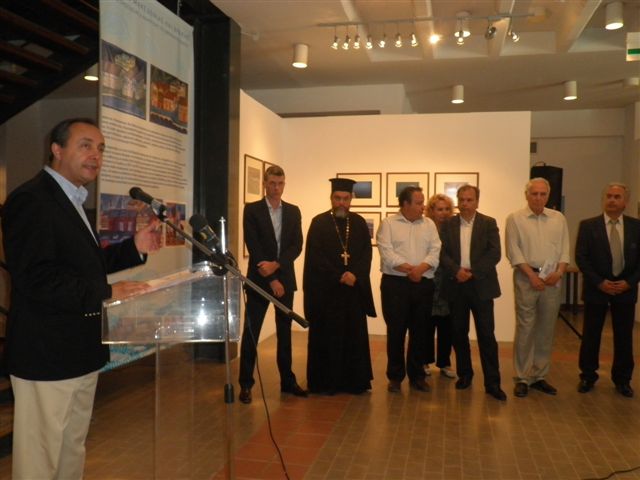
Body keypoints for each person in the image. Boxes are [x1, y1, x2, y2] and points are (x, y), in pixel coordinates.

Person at [2, 117, 161, 480]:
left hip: (81, 351)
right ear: (56, 150)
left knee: (71, 448)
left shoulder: (72, 199)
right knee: (40, 458)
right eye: (86, 145)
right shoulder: (31, 200)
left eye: (101, 148)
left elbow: (84, 267)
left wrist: (133, 248)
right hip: (46, 354)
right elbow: (36, 278)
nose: (96, 156)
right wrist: (107, 292)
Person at [238, 165, 305, 404]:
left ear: (284, 184)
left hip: (284, 278)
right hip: (259, 279)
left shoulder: (293, 211)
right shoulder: (252, 210)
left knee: (285, 334)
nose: (276, 188)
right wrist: (271, 278)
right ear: (265, 184)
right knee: (252, 332)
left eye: (280, 183)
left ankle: (287, 381)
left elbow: (297, 245)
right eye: (272, 183)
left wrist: (277, 266)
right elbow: (253, 245)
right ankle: (246, 384)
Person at [304, 178, 376, 394]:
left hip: (353, 290)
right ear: (331, 198)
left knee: (353, 336)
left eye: (345, 198)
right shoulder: (319, 223)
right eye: (338, 198)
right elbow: (315, 257)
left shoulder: (359, 223)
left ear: (351, 199)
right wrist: (338, 276)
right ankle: (326, 383)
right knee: (328, 337)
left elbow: (366, 253)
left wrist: (355, 274)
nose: (342, 203)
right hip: (327, 292)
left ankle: (355, 382)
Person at [439, 185, 506, 401]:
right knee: (459, 334)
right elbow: (441, 253)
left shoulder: (488, 223)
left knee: (487, 335)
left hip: (482, 285)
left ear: (477, 201)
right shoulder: (448, 224)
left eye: (469, 199)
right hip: (456, 284)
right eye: (462, 199)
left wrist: (472, 272)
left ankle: (493, 383)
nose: (465, 204)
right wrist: (456, 271)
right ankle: (465, 375)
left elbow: (495, 253)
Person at [505, 178, 569, 398]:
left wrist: (559, 272)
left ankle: (539, 376)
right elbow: (514, 251)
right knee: (525, 328)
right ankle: (522, 377)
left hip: (552, 278)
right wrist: (532, 276)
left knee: (546, 329)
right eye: (534, 194)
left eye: (543, 194)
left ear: (548, 196)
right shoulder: (515, 218)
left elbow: (565, 249)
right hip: (526, 278)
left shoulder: (558, 218)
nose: (538, 198)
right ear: (527, 195)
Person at [575, 183, 640, 398]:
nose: (612, 200)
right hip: (597, 289)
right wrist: (599, 282)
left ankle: (622, 379)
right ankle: (588, 376)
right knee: (591, 335)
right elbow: (581, 257)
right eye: (609, 196)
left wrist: (629, 282)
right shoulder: (588, 226)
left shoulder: (636, 227)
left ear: (625, 202)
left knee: (624, 337)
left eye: (617, 197)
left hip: (625, 289)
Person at [377, 186, 440, 393]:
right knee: (396, 332)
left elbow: (435, 251)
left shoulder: (429, 224)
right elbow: (387, 253)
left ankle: (417, 376)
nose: (423, 206)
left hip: (423, 284)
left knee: (420, 331)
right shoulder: (388, 224)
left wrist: (420, 270)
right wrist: (410, 269)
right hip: (395, 285)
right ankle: (395, 377)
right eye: (419, 203)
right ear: (405, 204)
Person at [424, 194, 456, 379]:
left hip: (448, 282)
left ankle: (444, 362)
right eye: (439, 209)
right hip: (429, 280)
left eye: (446, 209)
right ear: (432, 211)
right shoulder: (425, 228)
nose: (443, 213)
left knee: (447, 326)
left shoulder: (453, 230)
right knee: (426, 325)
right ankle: (424, 361)